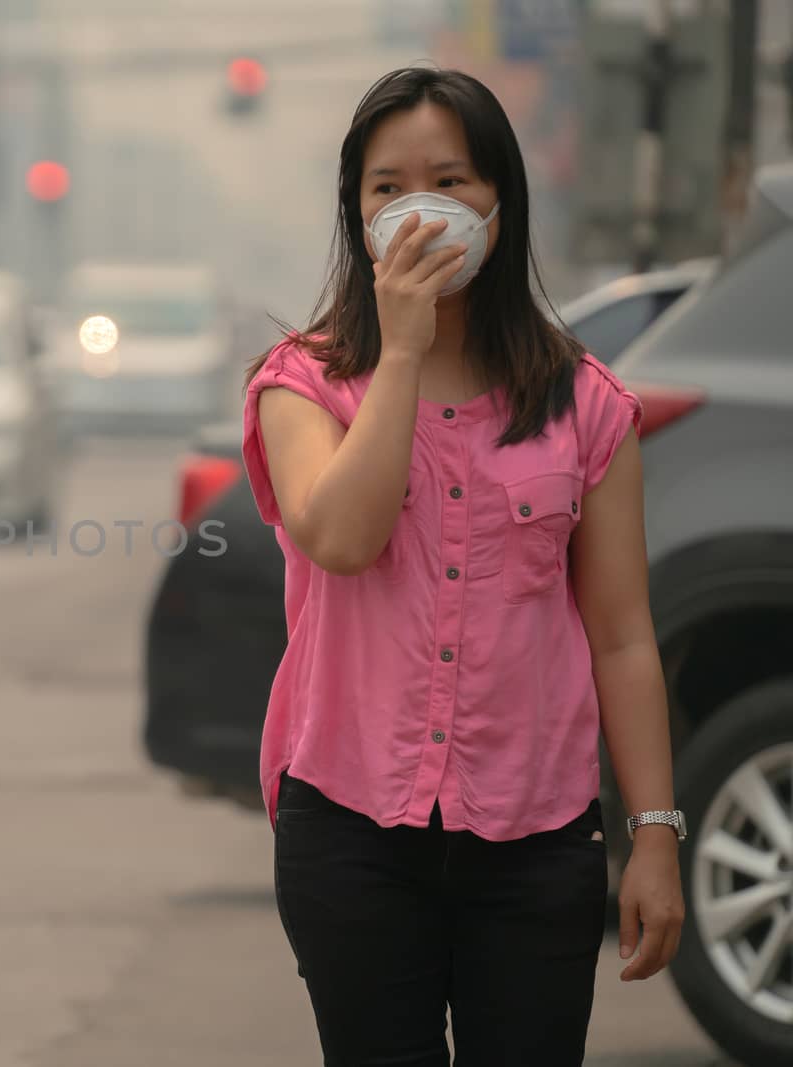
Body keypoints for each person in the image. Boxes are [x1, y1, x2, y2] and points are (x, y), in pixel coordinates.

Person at [242, 67, 685, 1065]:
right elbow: (343, 539)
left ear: (500, 202)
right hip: (350, 831)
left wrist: (653, 833)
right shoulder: (303, 384)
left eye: (451, 180)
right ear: (353, 215)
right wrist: (398, 353)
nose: (418, 210)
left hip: (534, 841)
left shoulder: (586, 404)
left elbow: (619, 634)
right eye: (386, 189)